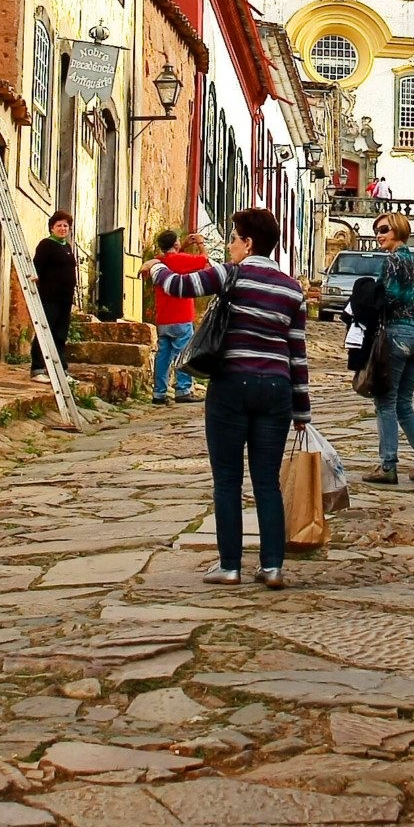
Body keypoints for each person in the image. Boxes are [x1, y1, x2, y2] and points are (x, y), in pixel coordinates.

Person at [154, 206, 311, 589]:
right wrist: (301, 411)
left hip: (231, 385)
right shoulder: (292, 290)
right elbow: (298, 353)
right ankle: (272, 566)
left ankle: (230, 565)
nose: (229, 246)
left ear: (248, 243)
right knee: (266, 481)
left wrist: (156, 267)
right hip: (275, 390)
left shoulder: (232, 274)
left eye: (233, 239)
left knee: (227, 478)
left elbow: (179, 286)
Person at [363, 214, 414, 486]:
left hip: (397, 333)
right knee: (404, 404)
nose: (378, 235)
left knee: (385, 402)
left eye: (383, 230)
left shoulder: (393, 260)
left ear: (398, 230)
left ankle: (387, 465)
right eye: (376, 231)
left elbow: (390, 298)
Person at [148, 229, 207, 405]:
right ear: (175, 244)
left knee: (163, 355)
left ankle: (159, 393)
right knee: (183, 354)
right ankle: (182, 389)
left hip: (163, 317)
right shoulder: (180, 260)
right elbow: (204, 260)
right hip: (181, 315)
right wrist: (201, 243)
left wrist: (183, 245)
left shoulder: (159, 262)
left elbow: (173, 261)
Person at [30, 210, 78, 381]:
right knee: (45, 330)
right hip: (50, 297)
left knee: (60, 334)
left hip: (65, 299)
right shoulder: (46, 245)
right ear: (52, 228)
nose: (63, 228)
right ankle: (37, 369)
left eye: (66, 225)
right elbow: (36, 267)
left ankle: (60, 370)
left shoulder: (66, 246)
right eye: (59, 225)